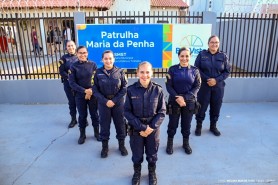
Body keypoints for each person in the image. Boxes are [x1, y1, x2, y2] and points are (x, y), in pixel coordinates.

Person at [124, 62, 166, 185]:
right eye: (142, 72)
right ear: (137, 73)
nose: (144, 75)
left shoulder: (158, 90)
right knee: (137, 154)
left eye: (147, 72)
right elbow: (126, 111)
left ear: (152, 73)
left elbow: (162, 112)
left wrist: (150, 127)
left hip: (153, 129)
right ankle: (137, 173)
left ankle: (151, 173)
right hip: (136, 129)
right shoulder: (131, 90)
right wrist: (141, 127)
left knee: (152, 153)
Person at [165, 47, 201, 155]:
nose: (184, 58)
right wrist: (178, 98)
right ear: (178, 56)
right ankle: (170, 143)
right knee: (173, 124)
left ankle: (185, 143)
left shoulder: (195, 70)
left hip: (189, 102)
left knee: (186, 125)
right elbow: (169, 86)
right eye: (182, 56)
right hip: (174, 101)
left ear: (190, 57)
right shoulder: (172, 69)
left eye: (187, 56)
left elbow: (197, 86)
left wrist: (184, 98)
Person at [93, 50, 128, 158]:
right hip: (103, 103)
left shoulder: (120, 72)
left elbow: (124, 88)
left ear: (114, 59)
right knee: (104, 125)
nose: (108, 61)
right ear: (102, 60)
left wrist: (114, 100)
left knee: (120, 124)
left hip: (118, 103)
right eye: (106, 58)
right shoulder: (97, 73)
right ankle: (105, 147)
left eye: (110, 58)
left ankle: (121, 145)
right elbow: (94, 89)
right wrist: (105, 101)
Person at [194, 35, 231, 136]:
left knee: (216, 107)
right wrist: (207, 79)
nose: (214, 44)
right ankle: (199, 126)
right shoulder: (202, 55)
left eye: (216, 42)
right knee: (201, 107)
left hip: (218, 87)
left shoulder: (223, 56)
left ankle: (213, 126)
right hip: (204, 87)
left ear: (218, 44)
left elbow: (227, 71)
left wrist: (216, 80)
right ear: (208, 43)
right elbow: (196, 69)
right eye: (212, 42)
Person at [69, 46, 100, 144]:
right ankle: (82, 135)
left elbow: (97, 80)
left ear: (87, 53)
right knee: (82, 115)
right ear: (77, 54)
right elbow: (72, 83)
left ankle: (97, 133)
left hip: (93, 95)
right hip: (79, 95)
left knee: (94, 114)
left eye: (84, 53)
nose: (82, 55)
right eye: (80, 53)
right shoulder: (73, 66)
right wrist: (84, 91)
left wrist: (90, 91)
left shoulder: (93, 65)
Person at [59, 40, 78, 128]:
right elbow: (61, 71)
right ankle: (73, 119)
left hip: (80, 84)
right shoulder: (63, 58)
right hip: (68, 83)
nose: (70, 47)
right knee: (72, 102)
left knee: (81, 102)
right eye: (68, 46)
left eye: (72, 45)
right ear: (66, 48)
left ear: (75, 46)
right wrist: (71, 78)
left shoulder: (80, 56)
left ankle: (83, 119)